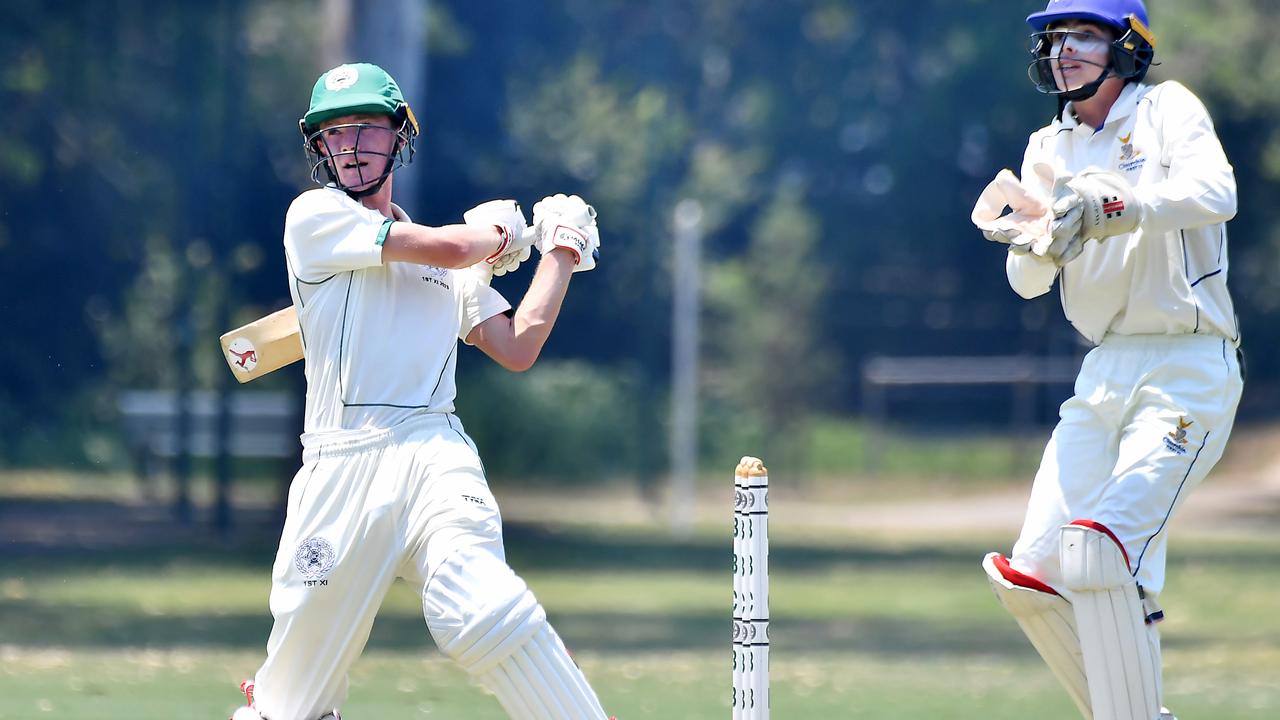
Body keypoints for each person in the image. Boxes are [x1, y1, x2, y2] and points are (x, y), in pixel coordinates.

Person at [229, 62, 609, 720]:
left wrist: (561, 252)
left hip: (433, 448)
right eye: (335, 134)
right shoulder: (314, 218)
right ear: (318, 147)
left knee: (483, 607)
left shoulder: (449, 262)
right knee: (289, 708)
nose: (349, 148)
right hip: (338, 467)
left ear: (400, 136)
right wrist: (503, 234)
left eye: (367, 131)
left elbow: (518, 345)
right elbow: (444, 246)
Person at [974, 2, 1243, 719]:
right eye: (1055, 39)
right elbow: (1027, 284)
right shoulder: (1046, 148)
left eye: (1083, 37)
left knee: (1100, 551)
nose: (1064, 51)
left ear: (1128, 46)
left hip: (1189, 364)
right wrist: (1041, 244)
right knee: (1027, 572)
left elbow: (1217, 195)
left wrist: (1107, 206)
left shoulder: (1165, 112)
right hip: (1104, 369)